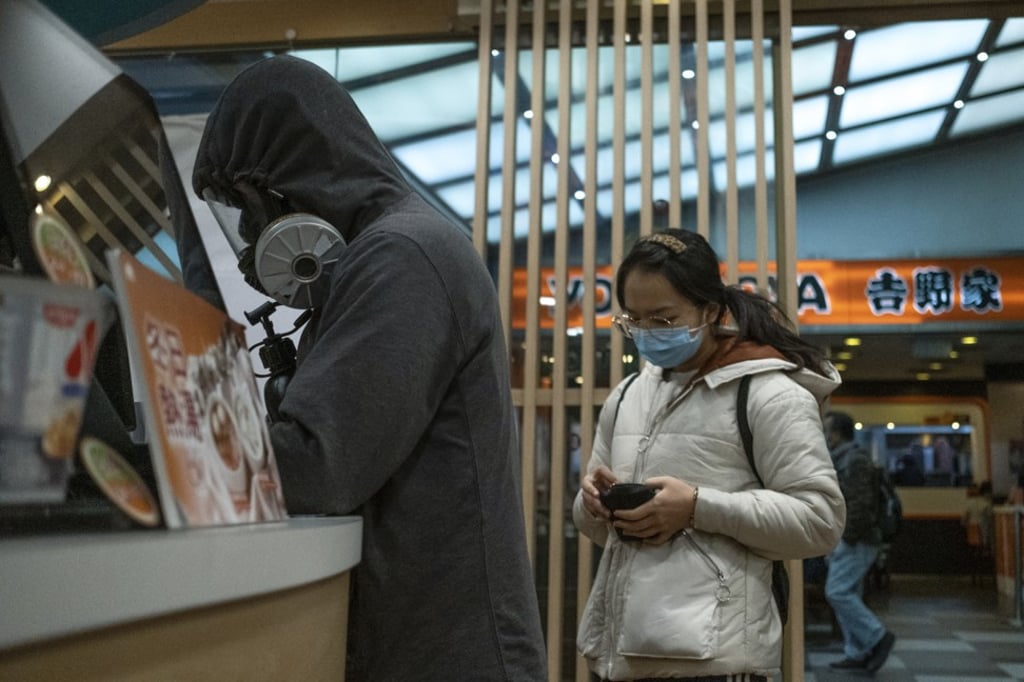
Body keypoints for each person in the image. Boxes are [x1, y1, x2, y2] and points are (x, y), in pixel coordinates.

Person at [190, 55, 546, 681]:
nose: (252, 233)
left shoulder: (401, 257)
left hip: (448, 656)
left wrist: (182, 445)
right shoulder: (387, 253)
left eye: (252, 204)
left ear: (298, 178)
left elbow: (320, 466)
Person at [573, 228, 845, 681]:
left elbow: (819, 521)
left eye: (663, 319)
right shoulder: (627, 395)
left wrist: (698, 507)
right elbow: (593, 526)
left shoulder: (769, 394)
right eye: (633, 321)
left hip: (718, 664)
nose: (646, 334)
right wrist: (593, 503)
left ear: (711, 311)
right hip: (618, 657)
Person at [823, 410, 897, 673]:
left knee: (837, 592)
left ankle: (878, 636)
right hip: (854, 537)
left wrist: (846, 538)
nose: (826, 435)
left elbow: (858, 504)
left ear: (838, 433)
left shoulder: (853, 460)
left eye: (828, 430)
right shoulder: (846, 458)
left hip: (857, 539)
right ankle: (857, 651)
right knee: (849, 592)